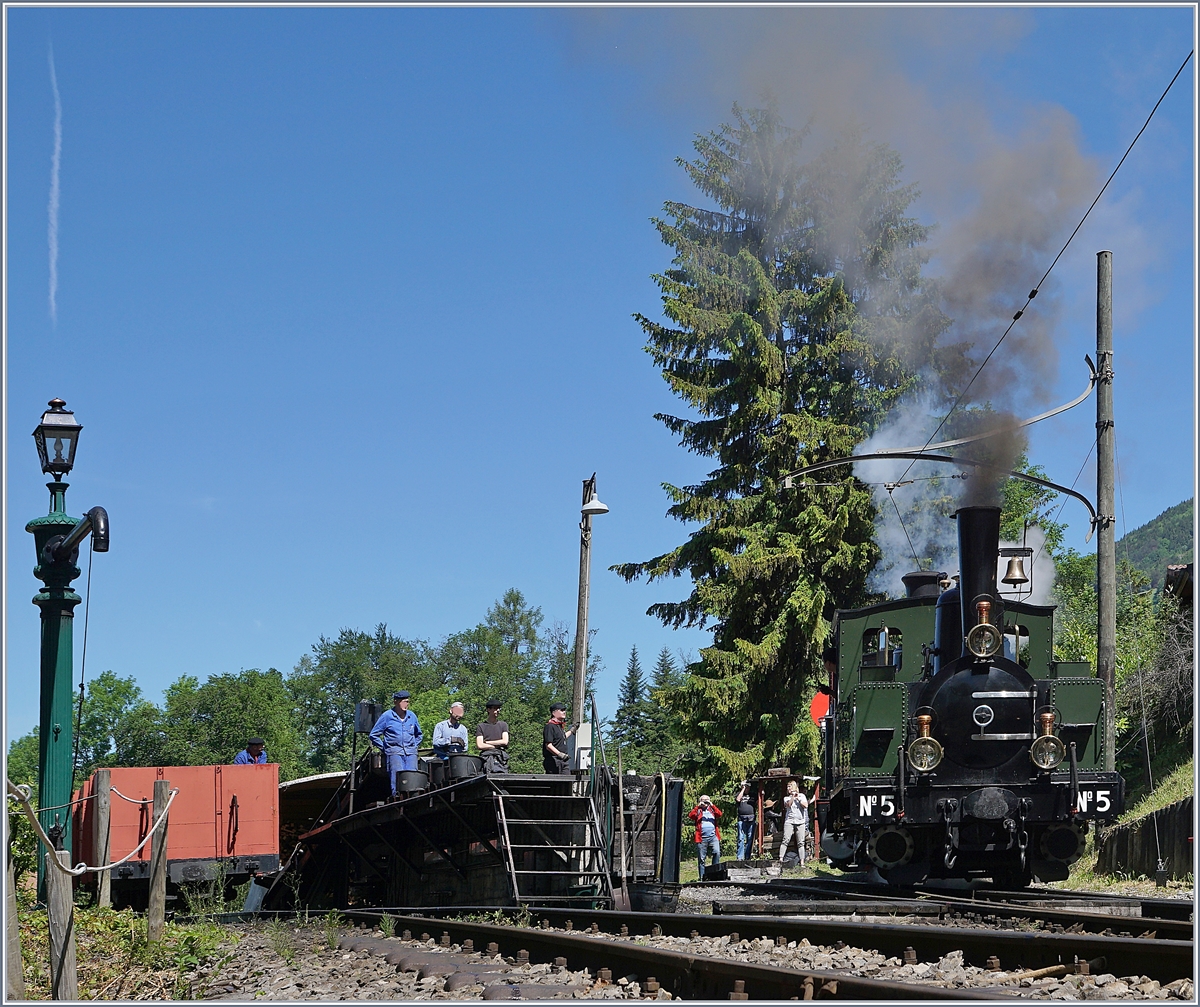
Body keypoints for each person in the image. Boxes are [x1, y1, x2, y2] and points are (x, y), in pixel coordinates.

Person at [369, 691, 423, 795]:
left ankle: (412, 798)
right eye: (403, 702)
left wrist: (414, 746)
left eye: (407, 702)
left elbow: (419, 735)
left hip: (410, 753)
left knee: (412, 778)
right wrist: (385, 748)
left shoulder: (412, 716)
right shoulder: (387, 716)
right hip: (394, 752)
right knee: (397, 779)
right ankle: (397, 798)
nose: (406, 704)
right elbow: (373, 735)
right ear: (396, 702)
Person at [688, 795, 723, 879]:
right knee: (701, 859)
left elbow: (719, 814)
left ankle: (714, 874)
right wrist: (698, 806)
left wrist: (712, 805)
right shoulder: (698, 810)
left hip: (713, 836)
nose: (705, 802)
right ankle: (702, 877)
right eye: (703, 801)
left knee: (717, 853)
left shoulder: (712, 810)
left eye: (707, 800)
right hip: (701, 838)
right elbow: (691, 816)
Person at [475, 700, 510, 774]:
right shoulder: (481, 726)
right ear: (488, 710)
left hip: (501, 759)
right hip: (486, 758)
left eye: (499, 708)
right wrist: (497, 745)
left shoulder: (503, 725)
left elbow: (505, 741)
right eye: (495, 708)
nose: (498, 710)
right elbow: (480, 745)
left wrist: (487, 742)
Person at [780, 779, 809, 866]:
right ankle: (781, 859)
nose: (788, 788)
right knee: (785, 840)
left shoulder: (802, 796)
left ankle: (802, 862)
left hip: (800, 822)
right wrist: (793, 797)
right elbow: (788, 805)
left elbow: (805, 805)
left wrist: (798, 799)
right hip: (789, 821)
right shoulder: (786, 798)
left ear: (794, 787)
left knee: (801, 842)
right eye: (787, 787)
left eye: (789, 786)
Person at [542, 703, 576, 775]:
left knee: (567, 780)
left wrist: (572, 730)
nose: (564, 712)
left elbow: (562, 737)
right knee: (556, 781)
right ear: (554, 713)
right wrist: (559, 754)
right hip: (554, 760)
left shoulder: (559, 727)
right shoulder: (550, 726)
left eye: (565, 710)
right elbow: (548, 745)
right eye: (562, 710)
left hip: (563, 760)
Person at [734, 781, 756, 861]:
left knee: (750, 838)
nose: (747, 788)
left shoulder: (753, 795)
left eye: (748, 787)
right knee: (741, 838)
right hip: (741, 819)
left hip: (751, 818)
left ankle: (747, 856)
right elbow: (738, 799)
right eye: (746, 787)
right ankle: (740, 857)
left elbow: (759, 802)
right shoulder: (738, 794)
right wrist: (743, 790)